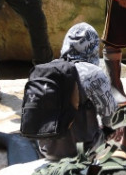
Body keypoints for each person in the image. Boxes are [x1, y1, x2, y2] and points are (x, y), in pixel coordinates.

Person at [39, 23, 118, 160]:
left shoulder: (46, 70)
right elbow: (111, 119)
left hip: (47, 149)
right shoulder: (94, 73)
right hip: (82, 151)